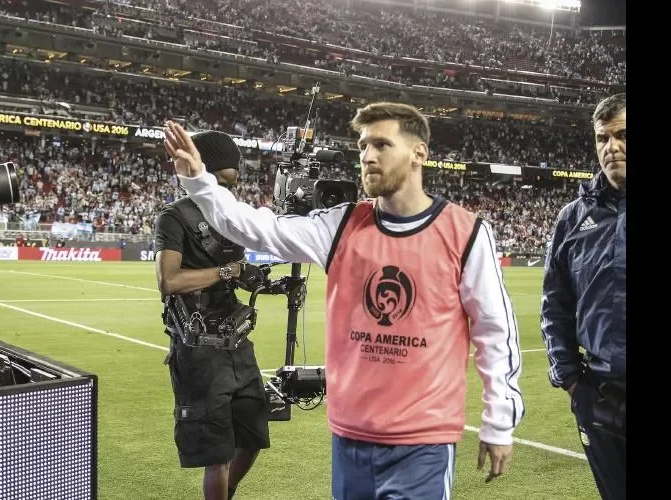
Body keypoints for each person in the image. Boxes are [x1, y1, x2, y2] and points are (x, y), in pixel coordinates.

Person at [162, 103, 525, 499]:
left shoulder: (465, 232)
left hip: (422, 440)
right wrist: (198, 179)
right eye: (363, 146)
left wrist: (499, 422)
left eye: (382, 144)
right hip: (350, 434)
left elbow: (495, 331)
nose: (368, 156)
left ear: (419, 153)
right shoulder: (341, 225)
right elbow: (252, 227)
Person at [155, 130, 271, 500]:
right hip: (199, 347)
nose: (231, 181)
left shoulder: (231, 213)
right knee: (217, 455)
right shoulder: (174, 217)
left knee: (252, 437)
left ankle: (228, 493)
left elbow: (239, 270)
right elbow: (169, 281)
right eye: (223, 175)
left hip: (236, 342)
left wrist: (271, 283)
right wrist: (229, 272)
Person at [540, 93, 626, 500]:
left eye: (623, 135)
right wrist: (572, 381)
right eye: (603, 138)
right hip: (599, 396)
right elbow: (554, 305)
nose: (612, 148)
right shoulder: (572, 219)